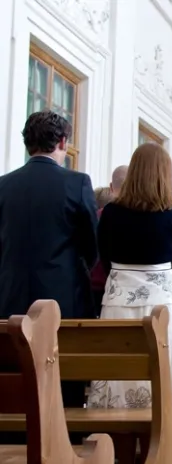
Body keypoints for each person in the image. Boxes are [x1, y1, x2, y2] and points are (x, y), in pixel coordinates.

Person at [88, 143, 172, 417]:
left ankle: (116, 434)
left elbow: (106, 257)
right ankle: (170, 433)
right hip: (164, 305)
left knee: (118, 372)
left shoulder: (111, 213)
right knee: (167, 369)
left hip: (119, 300)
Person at [0, 110, 98, 411]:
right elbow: (91, 246)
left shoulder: (4, 185)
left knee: (13, 372)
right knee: (63, 378)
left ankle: (13, 440)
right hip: (62, 298)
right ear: (64, 142)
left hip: (10, 295)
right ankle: (63, 441)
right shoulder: (77, 183)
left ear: (28, 144)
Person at [91, 165, 128, 317]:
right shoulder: (137, 219)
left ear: (112, 187)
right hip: (119, 288)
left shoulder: (95, 217)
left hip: (92, 285)